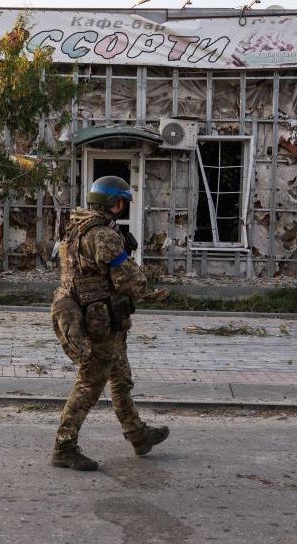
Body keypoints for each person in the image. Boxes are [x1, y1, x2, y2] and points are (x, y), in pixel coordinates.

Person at [50, 175, 169, 471]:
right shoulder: (103, 235)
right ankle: (64, 447)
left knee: (120, 378)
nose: (124, 207)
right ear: (114, 203)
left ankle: (138, 435)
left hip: (97, 314)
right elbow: (128, 280)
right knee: (90, 383)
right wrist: (145, 282)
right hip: (99, 319)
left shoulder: (75, 227)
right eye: (123, 202)